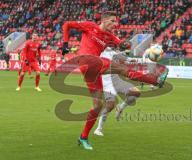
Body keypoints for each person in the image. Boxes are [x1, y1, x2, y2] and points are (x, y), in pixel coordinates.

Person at [62, 11, 168, 150]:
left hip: (93, 71)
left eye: (116, 21)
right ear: (104, 20)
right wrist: (64, 44)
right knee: (122, 70)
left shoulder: (110, 37)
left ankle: (83, 137)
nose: (115, 24)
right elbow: (67, 24)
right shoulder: (90, 26)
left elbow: (123, 45)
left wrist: (131, 46)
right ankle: (155, 80)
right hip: (87, 61)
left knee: (97, 106)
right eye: (112, 21)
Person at [94, 47, 140, 136]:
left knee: (136, 93)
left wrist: (143, 59)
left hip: (117, 81)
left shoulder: (117, 53)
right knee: (110, 106)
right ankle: (99, 128)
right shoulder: (102, 52)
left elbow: (128, 60)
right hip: (106, 82)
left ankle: (120, 107)